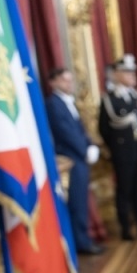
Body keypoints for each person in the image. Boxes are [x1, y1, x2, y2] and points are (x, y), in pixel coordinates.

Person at [98, 54, 137, 240]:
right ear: (116, 74)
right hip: (124, 153)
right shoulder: (110, 99)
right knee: (125, 190)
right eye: (126, 72)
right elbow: (105, 129)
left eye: (133, 72)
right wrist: (117, 148)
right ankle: (125, 228)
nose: (132, 75)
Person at [45, 67, 102, 255]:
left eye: (70, 80)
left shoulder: (68, 102)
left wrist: (90, 144)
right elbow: (65, 132)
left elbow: (80, 129)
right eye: (64, 80)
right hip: (70, 159)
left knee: (82, 201)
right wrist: (84, 150)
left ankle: (83, 239)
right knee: (76, 203)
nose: (69, 84)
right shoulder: (54, 104)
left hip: (79, 157)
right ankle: (81, 243)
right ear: (53, 82)